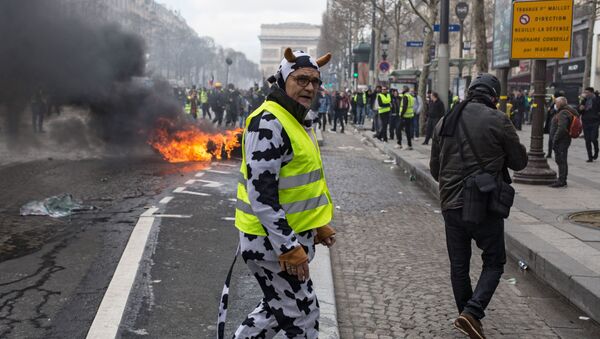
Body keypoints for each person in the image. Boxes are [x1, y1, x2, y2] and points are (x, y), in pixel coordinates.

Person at [227, 48, 336, 339]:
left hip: (281, 238)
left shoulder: (296, 119)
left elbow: (299, 183)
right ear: (283, 80)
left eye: (315, 81)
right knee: (303, 317)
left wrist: (316, 224)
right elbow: (261, 194)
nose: (310, 87)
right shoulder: (269, 121)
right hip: (271, 244)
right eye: (301, 79)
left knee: (275, 312)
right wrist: (288, 246)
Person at [430, 73, 528, 338]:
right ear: (494, 97)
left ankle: (468, 315)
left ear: (470, 91)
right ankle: (471, 313)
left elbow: (435, 169)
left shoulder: (445, 120)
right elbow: (519, 162)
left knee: (459, 265)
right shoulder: (498, 120)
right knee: (495, 261)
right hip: (484, 203)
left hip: (451, 204)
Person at [550, 96, 579, 187]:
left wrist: (555, 139)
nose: (555, 104)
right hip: (564, 139)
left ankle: (561, 180)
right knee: (562, 160)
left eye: (556, 103)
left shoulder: (563, 113)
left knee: (561, 160)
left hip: (561, 140)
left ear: (560, 103)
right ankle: (562, 179)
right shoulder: (566, 111)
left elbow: (562, 128)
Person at [579, 87, 600, 162]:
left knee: (593, 138)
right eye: (585, 92)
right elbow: (580, 111)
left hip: (595, 121)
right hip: (586, 122)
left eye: (587, 92)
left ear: (591, 92)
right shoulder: (583, 100)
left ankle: (596, 150)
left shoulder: (597, 99)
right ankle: (590, 157)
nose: (585, 94)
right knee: (587, 140)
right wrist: (580, 109)